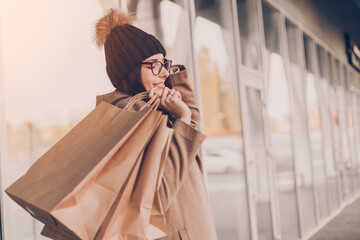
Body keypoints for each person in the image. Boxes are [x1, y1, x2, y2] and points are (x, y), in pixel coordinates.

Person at [94, 9, 217, 240]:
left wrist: (175, 85)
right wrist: (181, 118)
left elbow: (192, 121)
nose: (164, 73)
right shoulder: (132, 117)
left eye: (165, 63)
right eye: (153, 65)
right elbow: (157, 193)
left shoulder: (153, 106)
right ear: (129, 72)